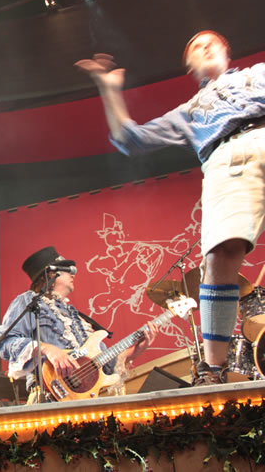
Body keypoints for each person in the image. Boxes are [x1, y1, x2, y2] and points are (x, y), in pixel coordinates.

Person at [76, 31, 265, 385]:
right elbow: (131, 139)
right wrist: (109, 90)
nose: (204, 46)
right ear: (190, 66)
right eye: (195, 46)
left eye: (211, 42)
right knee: (220, 256)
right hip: (227, 158)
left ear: (226, 50)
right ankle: (214, 369)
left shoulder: (258, 73)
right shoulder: (189, 111)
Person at [0, 247, 155, 403]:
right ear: (51, 274)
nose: (72, 274)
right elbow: (4, 342)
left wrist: (132, 352)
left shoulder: (75, 316)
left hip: (86, 401)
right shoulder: (29, 301)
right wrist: (48, 349)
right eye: (66, 270)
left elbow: (100, 365)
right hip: (48, 397)